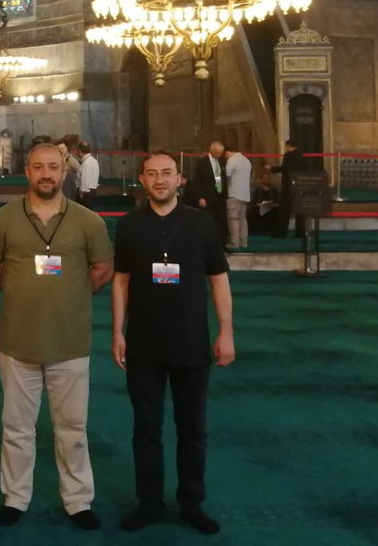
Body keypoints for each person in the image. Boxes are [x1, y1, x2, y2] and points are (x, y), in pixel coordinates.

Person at [0, 142, 114, 530]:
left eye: (53, 167)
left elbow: (102, 269)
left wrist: (68, 297)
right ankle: (16, 496)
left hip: (70, 342)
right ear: (27, 172)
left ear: (65, 172)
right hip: (18, 341)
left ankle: (78, 500)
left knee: (72, 428)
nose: (46, 174)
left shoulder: (89, 221)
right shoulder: (3, 219)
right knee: (17, 427)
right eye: (38, 167)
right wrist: (27, 294)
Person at [112, 151, 234, 536]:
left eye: (167, 173)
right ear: (142, 181)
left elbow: (218, 279)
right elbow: (121, 280)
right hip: (144, 343)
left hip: (191, 342)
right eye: (152, 174)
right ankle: (149, 503)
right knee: (146, 428)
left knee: (192, 428)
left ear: (179, 179)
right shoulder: (130, 225)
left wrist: (226, 331)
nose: (160, 180)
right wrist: (117, 330)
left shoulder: (202, 224)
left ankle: (191, 502)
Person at [186, 141, 227, 245]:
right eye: (218, 152)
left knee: (221, 221)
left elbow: (223, 179)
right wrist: (200, 197)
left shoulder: (221, 162)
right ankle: (206, 243)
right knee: (206, 220)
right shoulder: (202, 162)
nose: (219, 155)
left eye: (221, 153)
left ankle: (221, 244)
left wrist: (225, 194)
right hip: (207, 197)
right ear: (212, 150)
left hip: (219, 196)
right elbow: (197, 181)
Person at [268, 139, 307, 238]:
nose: (285, 149)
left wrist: (272, 169)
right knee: (299, 211)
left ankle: (281, 232)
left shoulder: (288, 155)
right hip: (299, 186)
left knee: (284, 210)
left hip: (288, 186)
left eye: (285, 147)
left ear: (289, 146)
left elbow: (285, 168)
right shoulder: (302, 156)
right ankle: (300, 232)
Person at [223, 147, 252, 250]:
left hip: (234, 193)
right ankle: (244, 242)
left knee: (233, 219)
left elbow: (226, 175)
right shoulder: (246, 160)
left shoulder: (232, 160)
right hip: (245, 195)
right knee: (243, 219)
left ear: (228, 152)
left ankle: (234, 242)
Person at [248, 171, 280, 236]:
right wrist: (259, 204)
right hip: (260, 207)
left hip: (271, 207)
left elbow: (277, 200)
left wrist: (273, 204)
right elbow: (254, 201)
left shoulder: (273, 189)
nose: (266, 179)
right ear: (261, 179)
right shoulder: (257, 189)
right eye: (265, 178)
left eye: (268, 178)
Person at [77, 141, 99, 208]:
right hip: (92, 191)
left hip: (86, 194)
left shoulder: (86, 163)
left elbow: (85, 180)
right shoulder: (94, 160)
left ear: (79, 151)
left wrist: (81, 194)